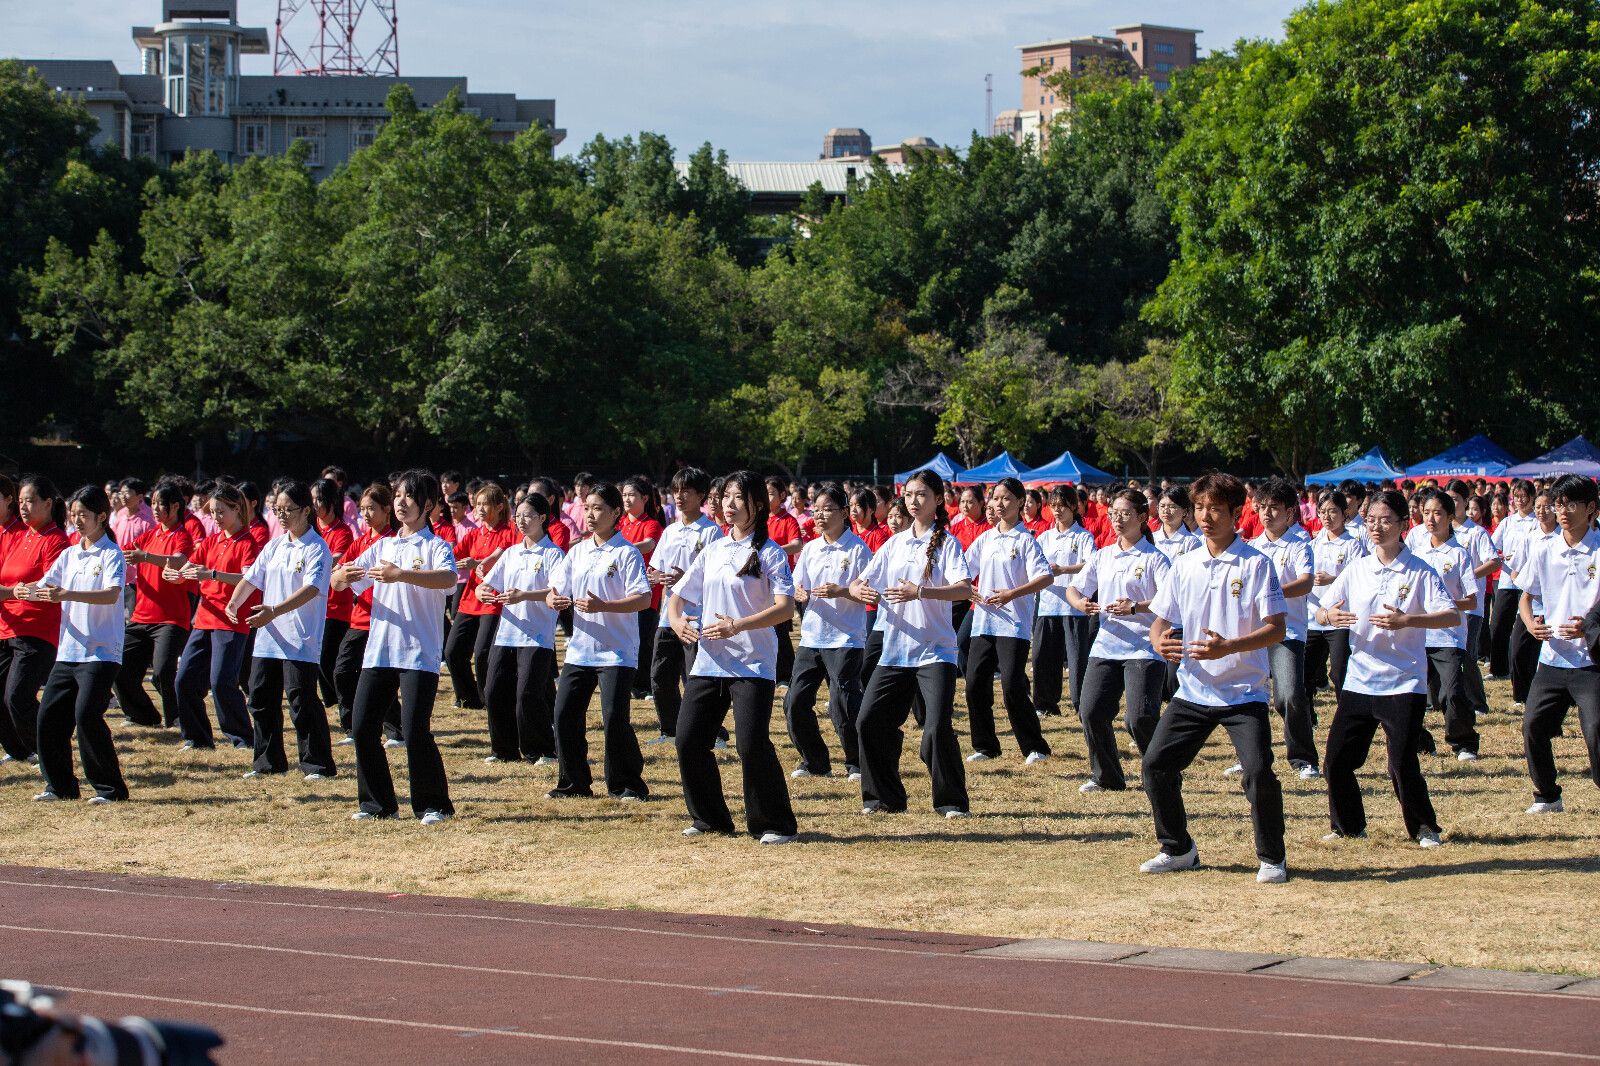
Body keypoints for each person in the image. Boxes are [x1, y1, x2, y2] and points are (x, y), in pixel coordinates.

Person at [1141, 472, 1290, 883]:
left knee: (1257, 772)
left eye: (1216, 509)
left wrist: (1230, 647)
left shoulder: (1256, 564)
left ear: (1236, 512)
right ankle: (1178, 848)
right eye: (1200, 508)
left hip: (1244, 692)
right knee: (1155, 766)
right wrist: (1158, 642)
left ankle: (1272, 857)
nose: (1205, 517)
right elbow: (1160, 621)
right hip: (1193, 690)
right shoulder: (1185, 564)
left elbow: (1276, 629)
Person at [1316, 488, 1456, 846]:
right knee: (1336, 760)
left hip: (1403, 681)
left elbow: (1451, 615)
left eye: (1385, 521)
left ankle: (1424, 827)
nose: (1376, 528)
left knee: (1401, 762)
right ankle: (1348, 826)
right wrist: (1329, 616)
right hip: (1359, 680)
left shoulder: (1420, 571)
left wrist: (1408, 620)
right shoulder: (1357, 569)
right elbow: (1321, 610)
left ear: (1403, 524)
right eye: (1370, 521)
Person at [669, 470, 800, 842]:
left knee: (750, 744)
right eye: (725, 496)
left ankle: (774, 824)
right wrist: (677, 621)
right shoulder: (713, 550)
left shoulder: (770, 552)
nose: (729, 504)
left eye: (738, 497)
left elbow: (785, 608)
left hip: (753, 663)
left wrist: (738, 625)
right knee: (688, 739)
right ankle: (709, 819)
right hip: (709, 661)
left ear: (757, 504)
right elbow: (678, 596)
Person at [334, 469, 457, 824]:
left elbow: (449, 579)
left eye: (409, 496)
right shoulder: (383, 546)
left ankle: (433, 805)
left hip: (419, 652)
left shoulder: (435, 546)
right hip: (380, 651)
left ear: (428, 505)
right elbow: (340, 580)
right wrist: (341, 577)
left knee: (415, 730)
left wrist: (402, 574)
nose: (401, 503)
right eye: (398, 495)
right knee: (362, 727)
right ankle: (378, 805)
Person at [849, 468, 974, 817]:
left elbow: (964, 589)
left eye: (921, 494)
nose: (913, 500)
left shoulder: (947, 543)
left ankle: (951, 801)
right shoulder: (894, 543)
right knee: (868, 722)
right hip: (895, 651)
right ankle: (883, 798)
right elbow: (859, 582)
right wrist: (859, 591)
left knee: (936, 728)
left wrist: (921, 592)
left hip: (936, 652)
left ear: (938, 500)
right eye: (908, 494)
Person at [22, 485, 129, 804]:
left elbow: (111, 595)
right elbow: (44, 586)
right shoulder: (69, 554)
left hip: (101, 653)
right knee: (49, 717)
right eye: (73, 514)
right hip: (68, 651)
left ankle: (110, 789)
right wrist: (23, 591)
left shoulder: (111, 554)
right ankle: (60, 786)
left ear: (101, 516)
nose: (77, 520)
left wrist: (66, 594)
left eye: (83, 514)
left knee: (87, 716)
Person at [546, 482, 652, 800]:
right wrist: (554, 600)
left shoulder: (626, 553)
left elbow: (643, 598)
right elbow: (556, 589)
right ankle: (573, 783)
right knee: (564, 714)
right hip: (580, 649)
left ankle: (626, 784)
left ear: (616, 512)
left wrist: (604, 606)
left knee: (614, 719)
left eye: (598, 509)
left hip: (617, 651)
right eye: (587, 508)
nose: (590, 515)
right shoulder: (578, 551)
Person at [228, 481, 337, 782]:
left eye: (289, 510)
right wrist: (234, 602)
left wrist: (274, 610)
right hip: (269, 636)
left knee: (301, 700)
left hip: (299, 636)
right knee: (260, 698)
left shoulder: (317, 548)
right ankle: (268, 761)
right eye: (278, 510)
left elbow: (312, 589)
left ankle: (317, 764)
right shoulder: (274, 545)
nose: (282, 516)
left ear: (306, 510)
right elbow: (251, 578)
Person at [1066, 488, 1171, 792]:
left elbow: (1170, 600)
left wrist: (1135, 607)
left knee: (1139, 718)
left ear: (1142, 517)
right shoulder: (1103, 555)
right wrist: (1080, 603)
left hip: (1144, 647)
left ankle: (1162, 773)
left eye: (1126, 514)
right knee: (1090, 711)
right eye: (1114, 513)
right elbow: (1074, 588)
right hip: (1106, 644)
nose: (1118, 519)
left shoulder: (1155, 559)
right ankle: (1107, 777)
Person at [1517, 473, 1600, 815]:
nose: (1562, 511)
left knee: (1595, 730)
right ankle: (1548, 796)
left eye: (1571, 504)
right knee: (1533, 726)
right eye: (1558, 504)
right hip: (1552, 659)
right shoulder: (1544, 548)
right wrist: (1530, 624)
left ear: (1591, 508)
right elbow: (1526, 597)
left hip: (1592, 661)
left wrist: (1589, 628)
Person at [782, 483, 872, 780]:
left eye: (827, 510)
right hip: (812, 635)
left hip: (846, 638)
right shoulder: (811, 548)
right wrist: (798, 592)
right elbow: (797, 584)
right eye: (816, 510)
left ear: (844, 513)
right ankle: (814, 761)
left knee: (842, 702)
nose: (819, 515)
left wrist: (841, 591)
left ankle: (857, 762)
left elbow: (869, 593)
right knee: (795, 701)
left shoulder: (857, 549)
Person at [963, 477, 1054, 764]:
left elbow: (1045, 577)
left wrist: (1012, 594)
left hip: (1013, 623)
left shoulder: (1025, 540)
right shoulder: (986, 539)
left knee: (1012, 685)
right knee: (974, 683)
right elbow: (964, 569)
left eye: (1006, 498)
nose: (999, 504)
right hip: (983, 622)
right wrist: (968, 588)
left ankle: (1035, 747)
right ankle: (985, 746)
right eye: (995, 498)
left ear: (1020, 502)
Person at [170, 484, 261, 751]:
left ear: (237, 509)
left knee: (221, 682)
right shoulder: (211, 541)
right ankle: (197, 738)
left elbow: (248, 579)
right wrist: (175, 574)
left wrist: (211, 574)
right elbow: (188, 568)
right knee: (184, 679)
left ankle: (243, 738)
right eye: (212, 512)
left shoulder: (248, 543)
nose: (216, 517)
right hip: (205, 618)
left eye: (221, 511)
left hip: (232, 620)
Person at [478, 491, 565, 765]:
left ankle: (542, 749)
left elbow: (557, 591)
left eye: (528, 516)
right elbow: (488, 583)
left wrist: (523, 596)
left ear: (543, 518)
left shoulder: (553, 554)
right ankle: (503, 749)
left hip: (537, 634)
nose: (522, 521)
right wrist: (482, 591)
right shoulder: (511, 553)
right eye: (518, 516)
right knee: (494, 690)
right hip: (507, 631)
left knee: (527, 693)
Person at [1246, 478, 1320, 780]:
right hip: (1255, 633)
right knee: (1250, 697)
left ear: (1290, 512)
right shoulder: (1252, 547)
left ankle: (1303, 758)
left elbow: (1305, 582)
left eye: (1274, 508)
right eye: (1262, 507)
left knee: (1287, 696)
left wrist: (1271, 592)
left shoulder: (1300, 545)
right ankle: (1250, 756)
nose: (1267, 513)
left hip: (1289, 633)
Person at [645, 468, 722, 744]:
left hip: (697, 617)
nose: (679, 496)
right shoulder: (670, 531)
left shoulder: (712, 532)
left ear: (701, 496)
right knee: (660, 676)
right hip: (669, 615)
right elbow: (655, 569)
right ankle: (670, 729)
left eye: (686, 491)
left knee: (695, 678)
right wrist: (657, 577)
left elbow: (717, 576)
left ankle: (712, 733)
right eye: (676, 490)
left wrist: (684, 578)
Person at [113, 481, 195, 729]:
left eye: (161, 504)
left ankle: (177, 718)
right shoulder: (150, 535)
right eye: (154, 503)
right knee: (118, 666)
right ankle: (143, 715)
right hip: (141, 616)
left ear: (176, 506)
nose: (156, 508)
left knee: (162, 672)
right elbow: (122, 553)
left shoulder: (182, 535)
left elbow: (179, 561)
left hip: (171, 618)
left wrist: (146, 557)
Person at [0, 475, 71, 764]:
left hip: (36, 631)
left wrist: (13, 592)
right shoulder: (21, 537)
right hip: (8, 628)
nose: (23, 507)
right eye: (21, 502)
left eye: (30, 501)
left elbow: (50, 586)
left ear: (48, 503)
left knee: (18, 698)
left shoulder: (57, 541)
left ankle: (52, 750)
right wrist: (10, 592)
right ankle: (20, 751)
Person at [1411, 488, 1479, 761]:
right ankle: (1420, 741)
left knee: (1451, 693)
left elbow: (1471, 600)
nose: (1431, 519)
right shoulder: (1416, 552)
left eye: (1437, 513)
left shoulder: (1459, 554)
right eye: (1426, 512)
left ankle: (1464, 743)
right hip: (1418, 635)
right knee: (1412, 694)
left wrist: (1446, 605)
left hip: (1449, 636)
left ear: (1450, 516)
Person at [332, 484, 402, 747]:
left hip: (385, 619)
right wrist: (341, 576)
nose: (365, 514)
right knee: (343, 671)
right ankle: (352, 727)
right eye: (362, 509)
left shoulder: (395, 542)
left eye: (371, 508)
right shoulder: (360, 542)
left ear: (386, 509)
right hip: (360, 617)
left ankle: (395, 730)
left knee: (381, 675)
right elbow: (337, 578)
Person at [444, 483, 517, 710]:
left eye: (485, 504)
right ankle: (468, 697)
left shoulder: (509, 533)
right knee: (453, 651)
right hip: (470, 599)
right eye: (477, 504)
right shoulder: (475, 534)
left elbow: (505, 561)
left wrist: (476, 563)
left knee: (483, 652)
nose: (480, 509)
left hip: (493, 599)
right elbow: (452, 556)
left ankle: (490, 700)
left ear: (499, 506)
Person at [1032, 486, 1098, 719]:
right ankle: (1045, 703)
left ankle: (1081, 703)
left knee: (1077, 659)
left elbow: (1091, 564)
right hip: (1048, 604)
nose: (1057, 510)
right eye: (1053, 506)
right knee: (1044, 656)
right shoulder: (1045, 537)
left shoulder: (1083, 536)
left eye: (1062, 505)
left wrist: (1064, 569)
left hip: (1074, 606)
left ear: (1073, 507)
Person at [1305, 490, 1366, 716]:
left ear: (1344, 514)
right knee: (1305, 673)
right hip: (1313, 616)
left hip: (1340, 618)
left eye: (1332, 512)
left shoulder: (1353, 545)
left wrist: (1333, 578)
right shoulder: (1313, 544)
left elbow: (1358, 579)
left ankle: (1347, 715)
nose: (1327, 517)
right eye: (1322, 512)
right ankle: (1307, 718)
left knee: (1339, 671)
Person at [1507, 492, 1559, 710]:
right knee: (1518, 651)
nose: (1541, 511)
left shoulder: (1563, 537)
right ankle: (1521, 695)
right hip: (1530, 603)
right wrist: (1528, 585)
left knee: (1547, 655)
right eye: (1538, 507)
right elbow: (1515, 570)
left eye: (1547, 506)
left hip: (1556, 607)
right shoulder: (1530, 537)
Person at [619, 476, 666, 701]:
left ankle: (643, 685)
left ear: (645, 498)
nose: (627, 500)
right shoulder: (619, 523)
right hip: (621, 590)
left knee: (644, 639)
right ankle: (626, 682)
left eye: (632, 495)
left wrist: (619, 550)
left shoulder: (652, 524)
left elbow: (649, 545)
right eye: (624, 495)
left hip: (646, 590)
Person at [312, 478, 355, 712]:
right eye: (312, 499)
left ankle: (342, 702)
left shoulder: (342, 531)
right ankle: (333, 701)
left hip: (336, 605)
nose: (315, 505)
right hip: (313, 604)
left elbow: (334, 561)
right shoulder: (311, 531)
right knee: (320, 658)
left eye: (319, 499)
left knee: (328, 658)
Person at [1489, 480, 1538, 681]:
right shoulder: (1508, 522)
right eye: (1516, 497)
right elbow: (1491, 546)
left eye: (1523, 496)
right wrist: (1501, 556)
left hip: (1529, 581)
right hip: (1508, 580)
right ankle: (1499, 669)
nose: (1520, 501)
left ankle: (1524, 669)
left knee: (1524, 627)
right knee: (1498, 624)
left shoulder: (1537, 522)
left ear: (1532, 497)